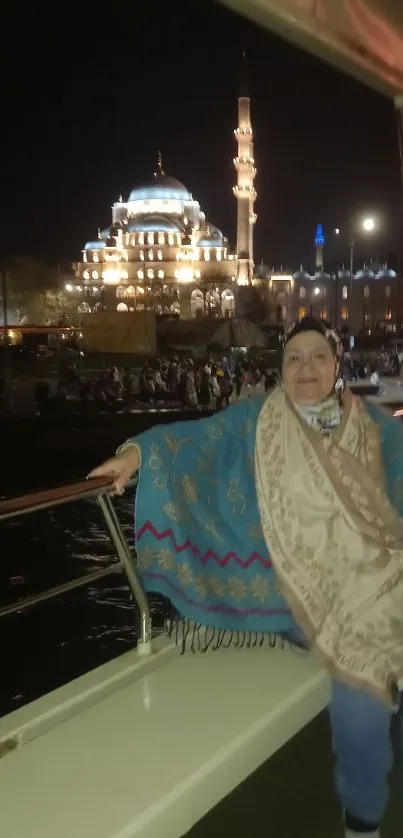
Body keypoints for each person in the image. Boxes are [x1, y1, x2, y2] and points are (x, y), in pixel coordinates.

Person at [89, 317, 403, 838]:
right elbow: (193, 438)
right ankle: (364, 823)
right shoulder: (257, 419)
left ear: (335, 365)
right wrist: (135, 454)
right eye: (294, 358)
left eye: (317, 356)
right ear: (281, 370)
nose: (306, 367)